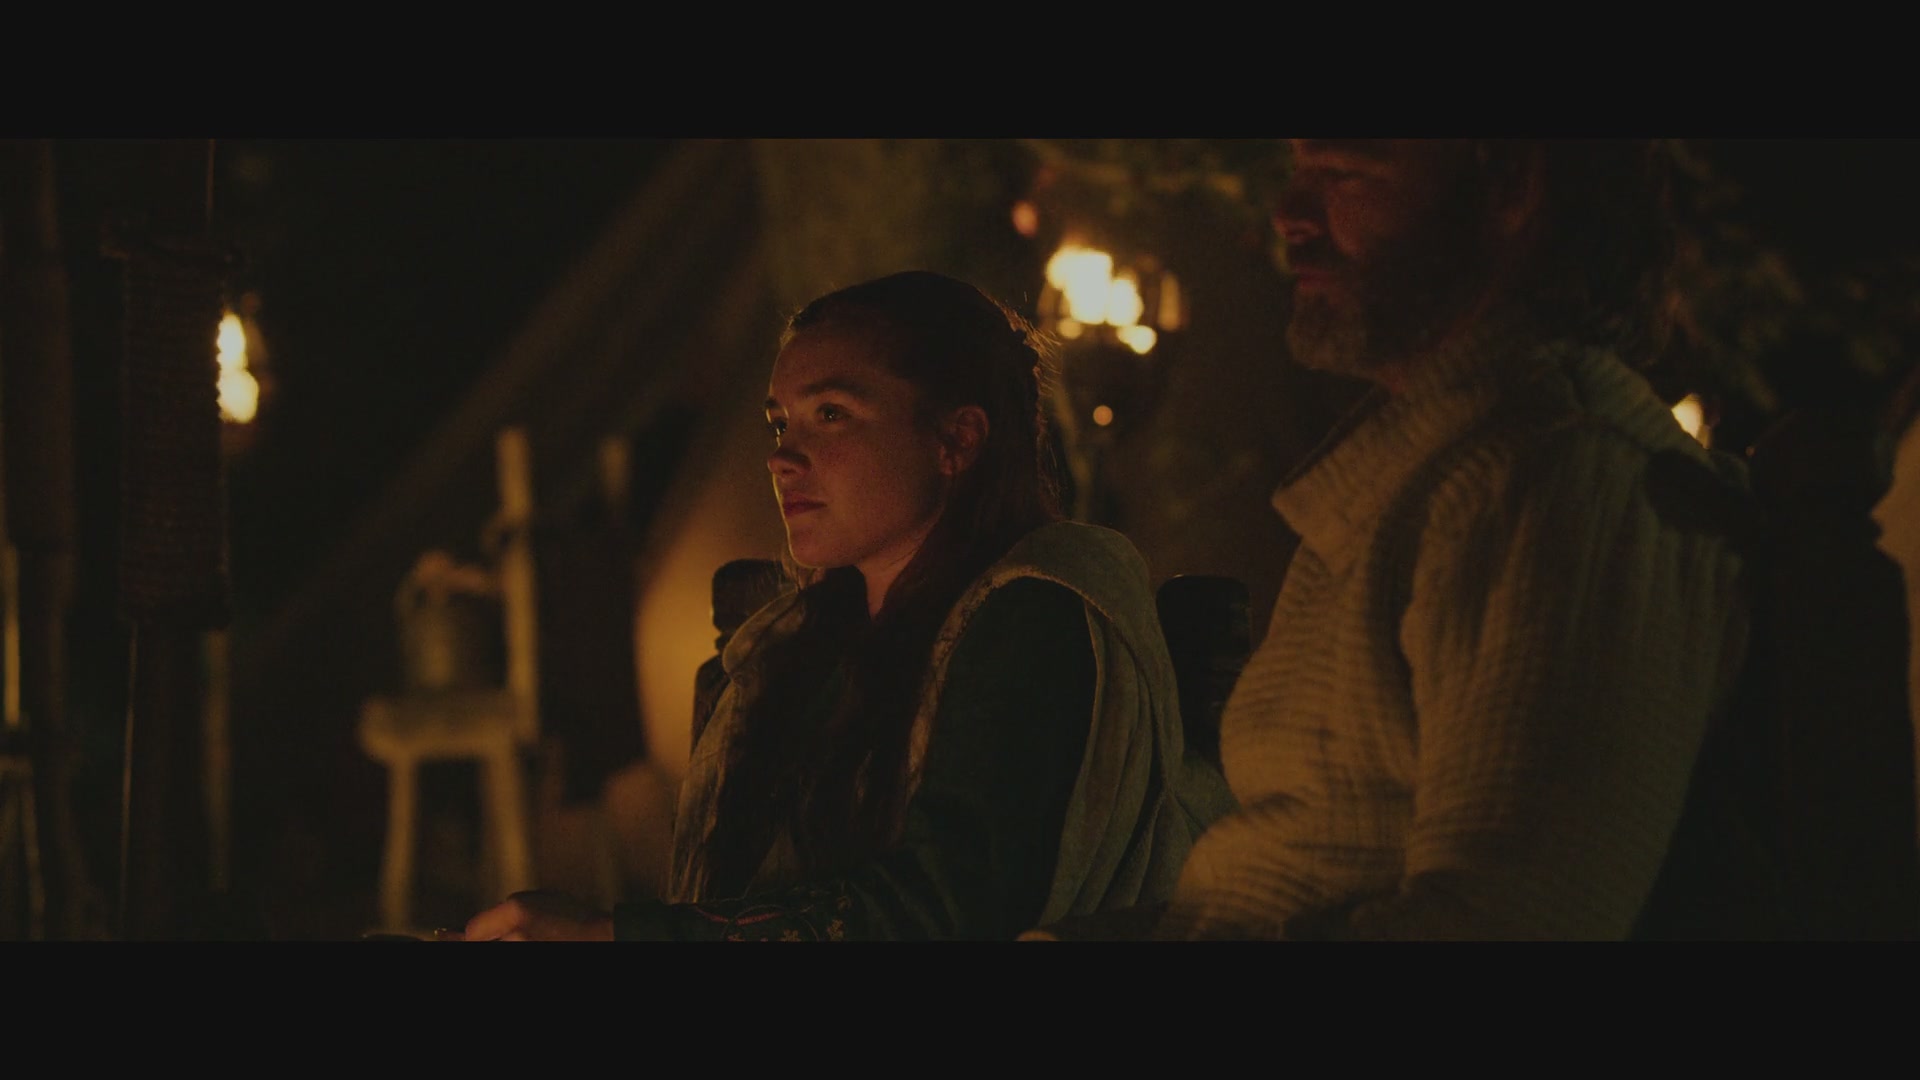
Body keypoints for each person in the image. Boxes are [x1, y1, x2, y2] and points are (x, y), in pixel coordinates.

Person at [458, 269, 1235, 940]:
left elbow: (947, 911)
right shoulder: (791, 645)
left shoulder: (1034, 617)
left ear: (957, 441)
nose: (781, 457)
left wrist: (615, 936)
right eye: (779, 422)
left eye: (829, 413)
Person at [1144, 140, 1755, 940]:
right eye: (1298, 171)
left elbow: (1507, 919)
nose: (1289, 214)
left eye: (1343, 173)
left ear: (1510, 187)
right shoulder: (1430, 477)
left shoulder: (1560, 484)